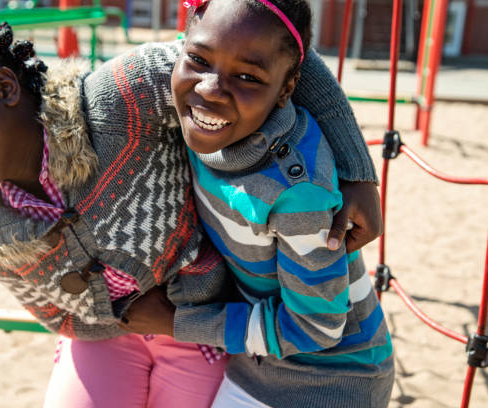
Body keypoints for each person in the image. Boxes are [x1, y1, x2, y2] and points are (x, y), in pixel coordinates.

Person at [0, 6, 383, 408]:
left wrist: (358, 170)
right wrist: (112, 317)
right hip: (108, 334)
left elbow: (274, 40)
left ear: (4, 88)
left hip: (204, 318)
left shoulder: (117, 102)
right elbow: (47, 310)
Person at [121, 0, 394, 407]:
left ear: (287, 89)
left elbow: (316, 329)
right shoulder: (209, 120)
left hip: (332, 378)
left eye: (247, 76)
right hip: (259, 361)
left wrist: (173, 322)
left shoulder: (295, 194)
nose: (210, 88)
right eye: (197, 59)